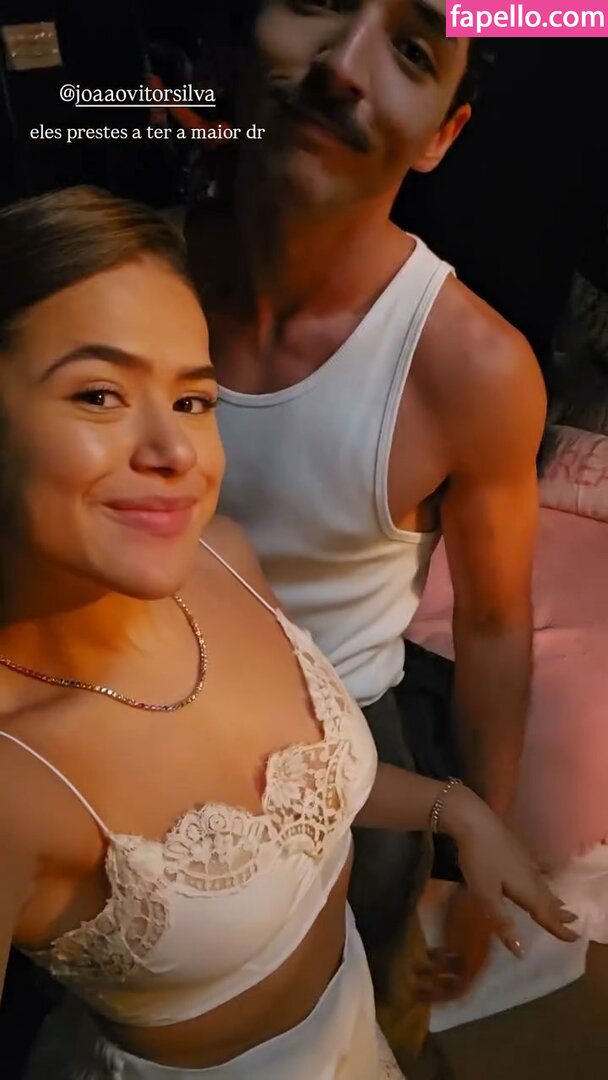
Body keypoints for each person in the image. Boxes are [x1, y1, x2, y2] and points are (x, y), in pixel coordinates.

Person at [0, 186, 577, 1080]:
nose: (176, 453)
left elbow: (290, 803)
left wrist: (457, 809)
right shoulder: (14, 778)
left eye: (193, 400)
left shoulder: (223, 560)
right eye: (100, 394)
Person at [183, 0, 547, 1047]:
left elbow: (492, 627)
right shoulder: (128, 287)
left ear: (442, 134)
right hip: (138, 723)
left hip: (349, 759)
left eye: (410, 50)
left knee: (361, 1021)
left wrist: (479, 856)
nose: (343, 67)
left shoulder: (470, 367)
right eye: (317, 1)